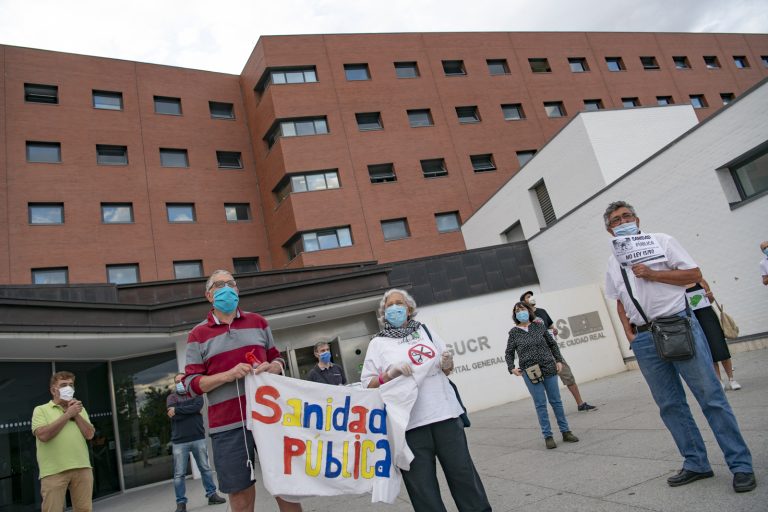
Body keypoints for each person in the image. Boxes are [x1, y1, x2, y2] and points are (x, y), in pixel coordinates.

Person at [603, 200, 756, 493]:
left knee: (710, 396)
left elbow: (693, 275)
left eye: (627, 216)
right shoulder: (613, 260)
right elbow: (619, 300)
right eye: (615, 221)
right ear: (610, 230)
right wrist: (629, 333)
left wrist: (652, 273)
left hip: (678, 324)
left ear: (637, 218)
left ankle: (740, 464)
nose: (622, 222)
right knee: (670, 405)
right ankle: (696, 462)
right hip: (645, 338)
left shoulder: (661, 241)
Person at [361, 288, 491, 512]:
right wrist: (388, 375)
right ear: (384, 313)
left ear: (409, 308)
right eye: (389, 305)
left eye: (398, 303)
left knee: (463, 475)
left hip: (445, 416)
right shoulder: (378, 343)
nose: (394, 308)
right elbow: (367, 383)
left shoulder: (426, 331)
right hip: (408, 426)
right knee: (423, 490)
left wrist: (448, 362)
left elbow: (446, 369)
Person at [183, 270, 302, 512]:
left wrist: (274, 366)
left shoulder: (258, 322)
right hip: (227, 427)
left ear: (237, 290)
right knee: (239, 495)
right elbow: (191, 384)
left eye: (231, 283)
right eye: (219, 284)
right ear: (209, 295)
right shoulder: (197, 334)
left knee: (286, 488)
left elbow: (277, 358)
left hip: (269, 419)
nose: (226, 287)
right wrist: (227, 375)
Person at [505, 301, 579, 449]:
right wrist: (512, 367)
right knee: (540, 404)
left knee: (556, 401)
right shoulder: (514, 333)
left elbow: (552, 344)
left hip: (548, 367)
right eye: (517, 310)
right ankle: (548, 436)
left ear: (528, 311)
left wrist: (558, 360)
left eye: (523, 309)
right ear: (515, 314)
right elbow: (509, 352)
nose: (521, 312)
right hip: (530, 371)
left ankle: (566, 431)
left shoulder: (539, 326)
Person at [520, 291, 597, 412]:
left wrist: (554, 330)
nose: (531, 298)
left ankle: (581, 403)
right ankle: (548, 410)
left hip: (552, 351)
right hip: (537, 355)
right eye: (528, 297)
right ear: (524, 302)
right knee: (542, 383)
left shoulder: (542, 311)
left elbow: (550, 326)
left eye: (531, 296)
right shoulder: (523, 317)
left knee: (568, 375)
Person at [31, 371, 95, 512]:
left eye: (71, 385)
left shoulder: (79, 409)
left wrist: (75, 413)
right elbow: (43, 435)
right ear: (53, 390)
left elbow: (90, 434)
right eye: (63, 385)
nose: (68, 388)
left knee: (84, 509)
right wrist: (68, 415)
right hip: (54, 471)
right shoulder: (41, 410)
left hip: (82, 467)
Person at [167, 373, 226, 511]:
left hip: (198, 438)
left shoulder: (196, 394)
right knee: (179, 474)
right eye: (177, 381)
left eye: (182, 380)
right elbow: (174, 416)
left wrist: (178, 410)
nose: (180, 382)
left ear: (186, 381)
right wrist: (189, 410)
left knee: (205, 469)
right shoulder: (171, 397)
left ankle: (212, 495)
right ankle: (181, 503)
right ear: (175, 383)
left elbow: (197, 407)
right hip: (179, 442)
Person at [684, 279, 741, 390]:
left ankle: (731, 379)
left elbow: (710, 300)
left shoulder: (699, 281)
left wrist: (709, 295)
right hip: (693, 319)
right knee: (708, 350)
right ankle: (719, 381)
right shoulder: (677, 286)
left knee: (720, 347)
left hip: (708, 316)